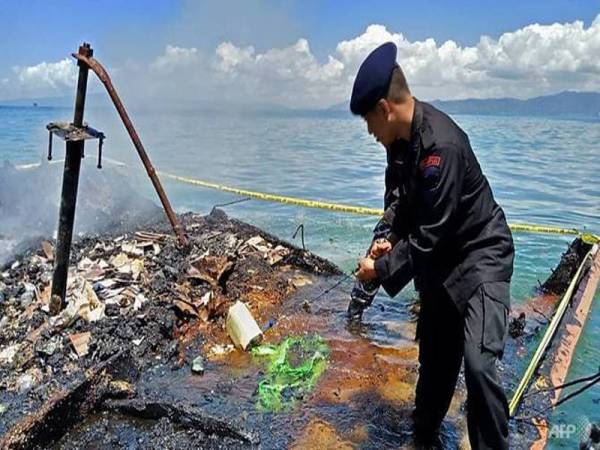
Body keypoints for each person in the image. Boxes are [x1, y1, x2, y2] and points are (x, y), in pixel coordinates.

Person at [349, 42, 515, 450]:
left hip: (480, 256)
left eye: (370, 123)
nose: (371, 134)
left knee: (478, 367)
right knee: (437, 358)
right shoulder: (400, 145)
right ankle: (424, 437)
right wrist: (382, 242)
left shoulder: (443, 145)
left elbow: (429, 234)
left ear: (385, 109)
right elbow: (397, 204)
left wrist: (380, 272)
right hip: (440, 259)